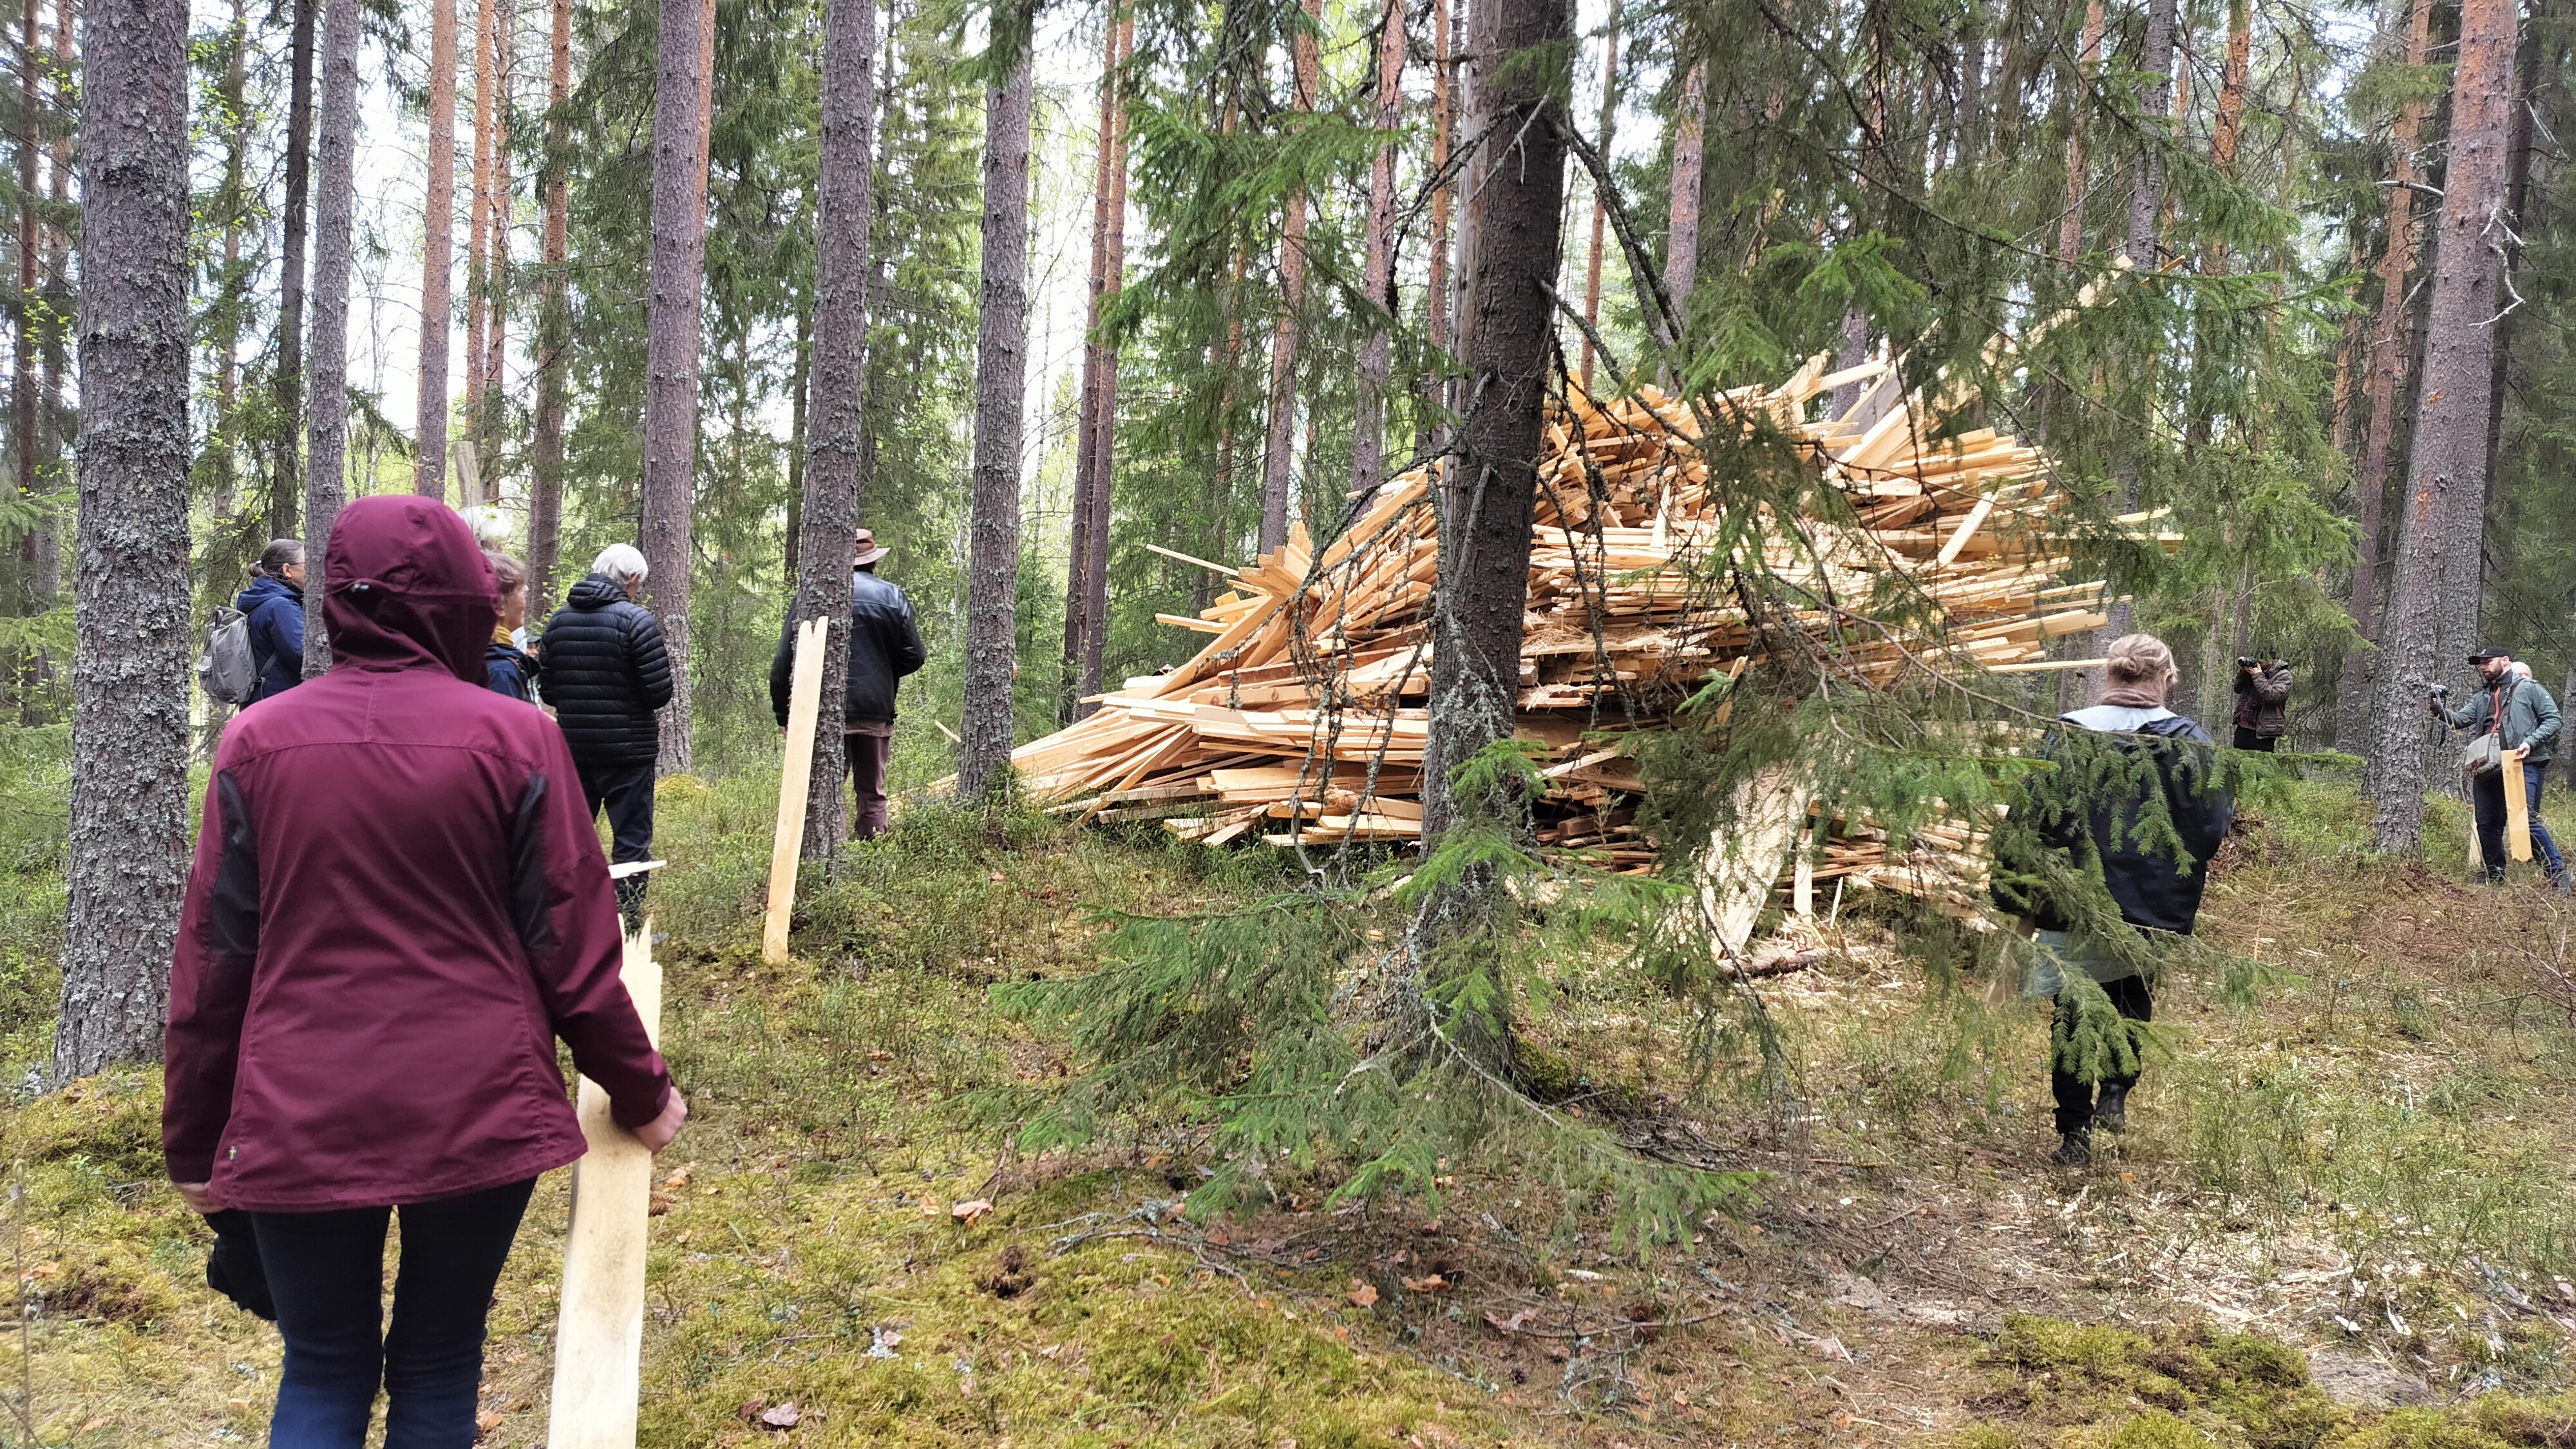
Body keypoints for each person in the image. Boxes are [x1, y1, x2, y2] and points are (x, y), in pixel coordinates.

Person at [164, 495, 686, 1449]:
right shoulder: (517, 739)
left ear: (334, 601)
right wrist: (642, 1088)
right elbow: (573, 952)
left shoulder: (257, 743)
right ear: (465, 601)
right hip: (476, 1104)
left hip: (300, 1106)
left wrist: (193, 1140)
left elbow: (212, 965)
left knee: (323, 1367)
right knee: (441, 1359)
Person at [1997, 633, 2234, 1168]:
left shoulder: (2068, 733)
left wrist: (2014, 892)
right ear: (2166, 679)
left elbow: (2028, 818)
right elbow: (2214, 826)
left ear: (2110, 675)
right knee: (2131, 993)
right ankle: (2116, 1092)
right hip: (2152, 901)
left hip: (2073, 899)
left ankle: (2074, 1138)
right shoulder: (2190, 741)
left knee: (2073, 1009)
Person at [539, 544, 674, 920]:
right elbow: (658, 693)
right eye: (639, 584)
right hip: (628, 754)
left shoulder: (558, 621)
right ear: (631, 579)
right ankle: (625, 925)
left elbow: (548, 692)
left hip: (574, 751)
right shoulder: (637, 622)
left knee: (572, 840)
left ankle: (572, 923)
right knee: (630, 842)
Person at [770, 527, 926, 840]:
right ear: (873, 561)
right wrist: (883, 673)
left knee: (828, 791)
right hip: (875, 711)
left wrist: (783, 713)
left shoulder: (813, 596)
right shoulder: (892, 596)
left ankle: (831, 861)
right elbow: (914, 655)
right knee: (873, 791)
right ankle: (874, 856)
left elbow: (784, 661)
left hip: (822, 710)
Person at [2431, 648, 2567, 889]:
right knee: (2487, 822)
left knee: (2523, 820)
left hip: (2521, 762)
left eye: (2487, 662)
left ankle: (2558, 875)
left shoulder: (2528, 688)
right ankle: (2494, 874)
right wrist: (2435, 706)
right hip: (2487, 766)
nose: (2483, 667)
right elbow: (2459, 720)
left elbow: (2554, 719)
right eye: (2480, 663)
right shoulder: (2482, 696)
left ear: (2505, 661)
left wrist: (2530, 742)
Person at [236, 540, 309, 703]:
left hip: (264, 702)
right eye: (308, 562)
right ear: (287, 570)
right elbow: (304, 655)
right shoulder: (280, 606)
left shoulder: (261, 600)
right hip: (281, 706)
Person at [482, 551, 538, 703]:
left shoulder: (480, 653)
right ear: (499, 605)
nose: (525, 598)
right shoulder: (500, 671)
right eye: (521, 590)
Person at [2230, 656, 2289, 752]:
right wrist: (2244, 672)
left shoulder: (2282, 675)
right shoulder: (2254, 671)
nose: (2259, 663)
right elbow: (2238, 689)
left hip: (2263, 732)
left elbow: (2273, 696)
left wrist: (2258, 675)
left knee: (2261, 764)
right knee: (2238, 762)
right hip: (2243, 728)